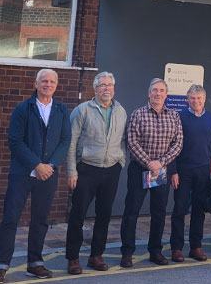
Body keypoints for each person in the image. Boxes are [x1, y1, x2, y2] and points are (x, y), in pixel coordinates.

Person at [0, 69, 71, 284]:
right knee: (10, 219)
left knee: (41, 220)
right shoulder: (23, 108)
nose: (48, 84)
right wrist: (37, 164)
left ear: (57, 85)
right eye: (44, 81)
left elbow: (65, 141)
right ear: (36, 83)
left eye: (52, 81)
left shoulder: (62, 109)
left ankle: (35, 263)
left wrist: (50, 165)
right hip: (22, 173)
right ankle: (0, 266)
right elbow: (15, 142)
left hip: (49, 174)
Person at [65, 72, 127, 274]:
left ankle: (96, 255)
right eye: (102, 85)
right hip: (87, 169)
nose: (106, 88)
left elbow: (123, 139)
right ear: (95, 88)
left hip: (111, 169)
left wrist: (120, 160)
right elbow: (71, 142)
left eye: (109, 85)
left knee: (104, 214)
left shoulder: (121, 111)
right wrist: (72, 170)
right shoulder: (82, 110)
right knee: (78, 214)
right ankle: (73, 258)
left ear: (114, 88)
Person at [120, 78, 183, 268]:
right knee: (132, 211)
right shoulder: (137, 114)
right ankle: (127, 252)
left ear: (166, 94)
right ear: (149, 93)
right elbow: (132, 142)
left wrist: (160, 163)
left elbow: (178, 143)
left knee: (159, 212)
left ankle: (155, 251)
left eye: (162, 91)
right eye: (155, 90)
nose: (158, 93)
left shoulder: (174, 116)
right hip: (140, 169)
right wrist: (149, 162)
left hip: (162, 170)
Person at [170, 84, 211, 263]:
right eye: (192, 98)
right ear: (187, 99)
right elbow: (173, 145)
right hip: (183, 170)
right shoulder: (179, 117)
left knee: (199, 211)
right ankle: (176, 248)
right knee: (179, 210)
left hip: (202, 170)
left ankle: (195, 247)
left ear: (204, 99)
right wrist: (173, 170)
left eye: (199, 98)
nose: (196, 101)